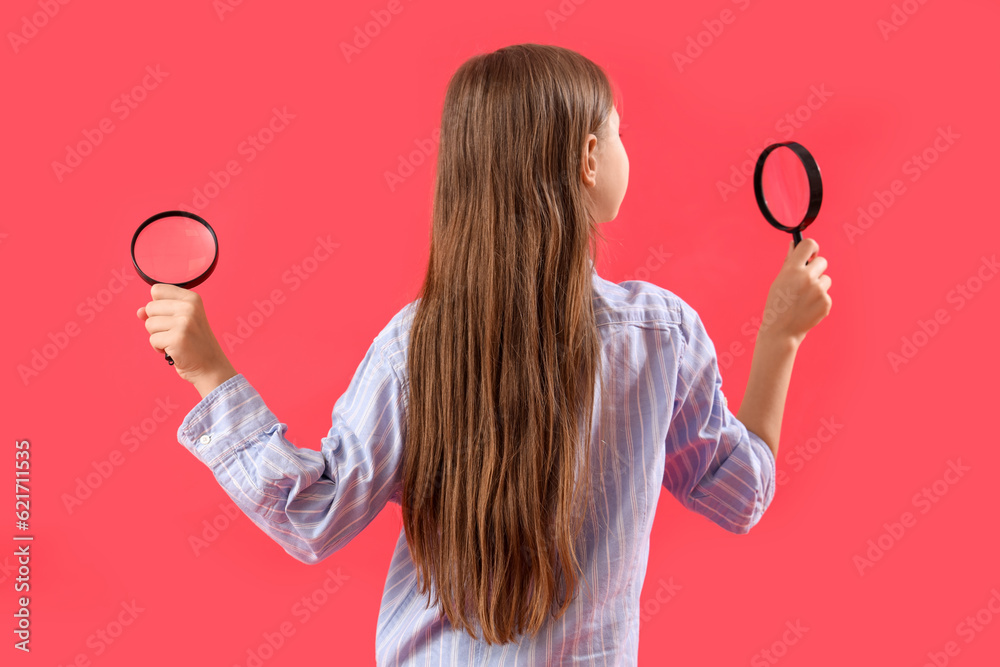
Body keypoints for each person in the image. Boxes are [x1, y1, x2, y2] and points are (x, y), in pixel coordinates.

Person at [136, 43, 831, 666]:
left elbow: (312, 513)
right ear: (589, 159)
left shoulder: (417, 346)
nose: (626, 148)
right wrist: (781, 335)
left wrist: (208, 371)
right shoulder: (661, 334)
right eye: (620, 132)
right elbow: (741, 494)